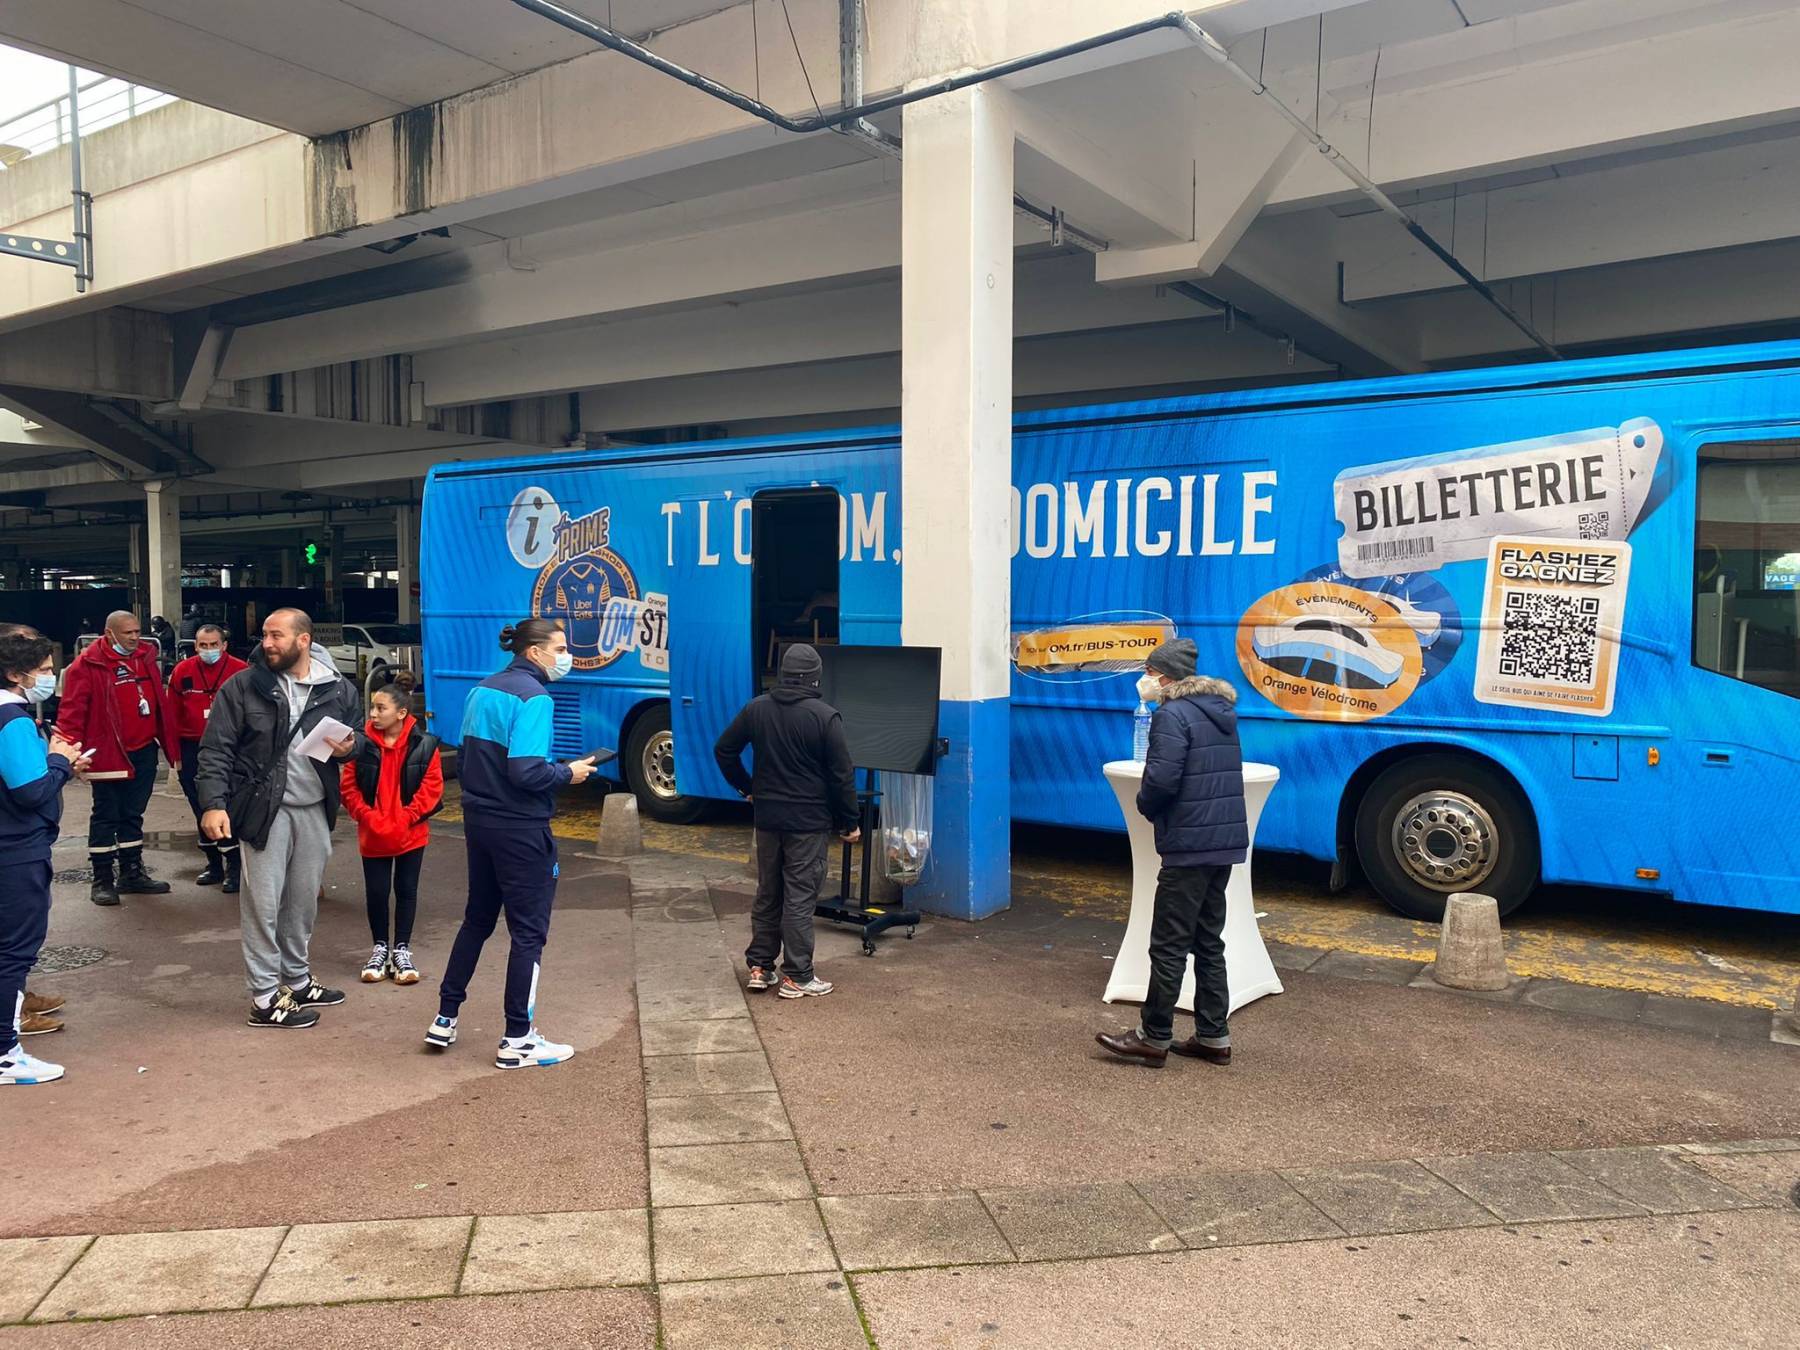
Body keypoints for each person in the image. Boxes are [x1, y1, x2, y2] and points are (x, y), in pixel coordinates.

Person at [427, 619, 598, 1068]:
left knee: (477, 920)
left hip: (479, 820)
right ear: (536, 651)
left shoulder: (482, 689)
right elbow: (526, 771)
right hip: (521, 828)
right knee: (528, 934)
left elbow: (468, 758)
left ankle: (445, 1016)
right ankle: (518, 1039)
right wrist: (569, 773)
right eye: (560, 647)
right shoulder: (535, 697)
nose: (567, 656)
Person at [195, 608, 360, 1029]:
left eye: (276, 636)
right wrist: (213, 803)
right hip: (264, 811)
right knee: (263, 905)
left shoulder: (337, 688)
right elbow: (216, 749)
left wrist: (351, 747)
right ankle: (265, 997)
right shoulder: (244, 686)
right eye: (265, 635)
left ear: (303, 640)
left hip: (315, 809)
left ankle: (297, 979)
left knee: (302, 903)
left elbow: (359, 737)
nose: (266, 643)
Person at [1097, 638, 1249, 1069]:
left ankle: (1153, 1036)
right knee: (1207, 940)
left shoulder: (1171, 715)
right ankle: (1213, 1036)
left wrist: (1146, 806)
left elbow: (1161, 779)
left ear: (1165, 676)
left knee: (1168, 943)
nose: (1143, 679)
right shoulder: (1221, 712)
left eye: (1148, 670)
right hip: (1223, 844)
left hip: (1189, 845)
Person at [713, 643, 858, 1000]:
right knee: (799, 895)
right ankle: (798, 975)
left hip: (768, 817)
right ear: (815, 677)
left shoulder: (756, 709)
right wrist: (849, 822)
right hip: (808, 822)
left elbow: (724, 749)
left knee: (769, 890)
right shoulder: (825, 717)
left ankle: (761, 967)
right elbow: (842, 776)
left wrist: (747, 788)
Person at [1, 627, 85, 1085]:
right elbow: (31, 790)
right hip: (15, 849)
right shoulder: (11, 718)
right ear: (17, 674)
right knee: (13, 952)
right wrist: (59, 761)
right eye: (45, 671)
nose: (51, 678)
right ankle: (6, 1052)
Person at [55, 610, 176, 906]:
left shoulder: (145, 658)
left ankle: (132, 873)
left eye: (137, 631)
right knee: (106, 815)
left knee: (133, 814)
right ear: (109, 634)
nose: (135, 637)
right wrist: (70, 752)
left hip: (144, 750)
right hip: (108, 753)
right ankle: (102, 879)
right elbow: (72, 712)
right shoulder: (86, 665)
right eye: (128, 633)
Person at [341, 671, 442, 985]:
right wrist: (367, 816)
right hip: (372, 832)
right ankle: (379, 948)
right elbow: (348, 787)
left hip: (411, 833)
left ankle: (402, 949)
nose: (373, 714)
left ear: (402, 713)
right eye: (372, 707)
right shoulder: (360, 744)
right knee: (376, 892)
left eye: (380, 708)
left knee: (406, 891)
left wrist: (406, 818)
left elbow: (432, 787)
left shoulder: (425, 745)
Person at [167, 625, 248, 890]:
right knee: (200, 806)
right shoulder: (183, 671)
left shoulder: (241, 670)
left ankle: (234, 866)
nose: (209, 650)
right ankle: (213, 863)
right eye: (204, 645)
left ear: (224, 645)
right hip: (193, 747)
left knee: (229, 806)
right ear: (196, 647)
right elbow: (171, 716)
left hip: (231, 748)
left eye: (214, 644)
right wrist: (175, 756)